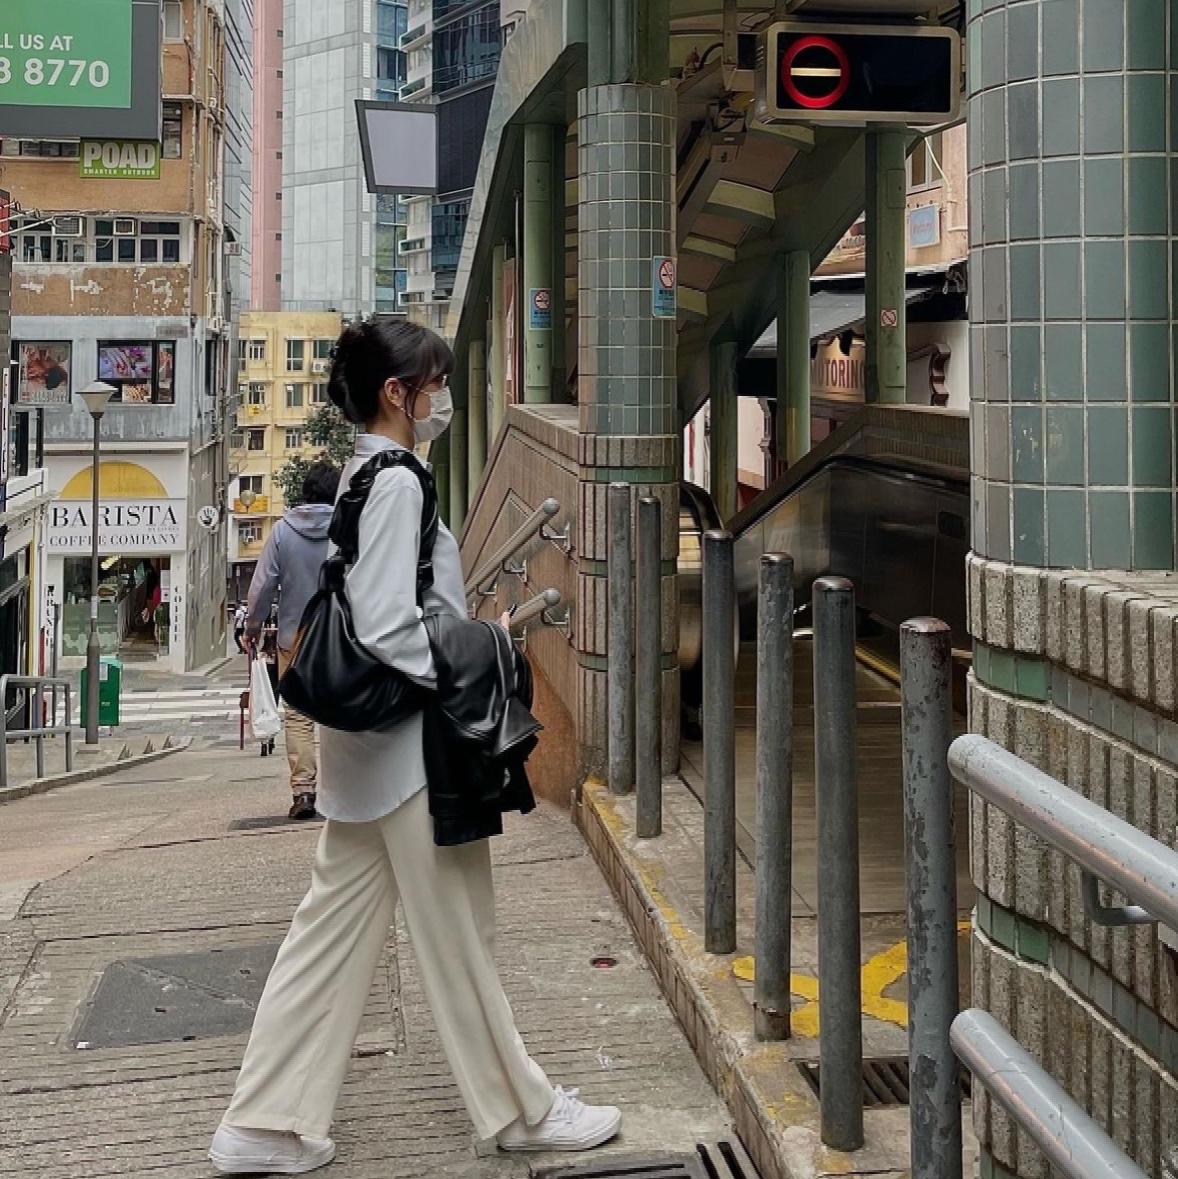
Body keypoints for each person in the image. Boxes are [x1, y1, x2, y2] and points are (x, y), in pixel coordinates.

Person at [209, 320, 621, 1175]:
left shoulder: (361, 473)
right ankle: (521, 1111)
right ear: (397, 393)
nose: (441, 396)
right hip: (410, 758)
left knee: (326, 940)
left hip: (364, 757)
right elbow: (390, 623)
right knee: (460, 935)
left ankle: (263, 1121)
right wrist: (474, 657)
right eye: (433, 382)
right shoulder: (398, 481)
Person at [244, 463, 341, 819]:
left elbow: (262, 586)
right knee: (341, 708)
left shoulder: (282, 532)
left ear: (305, 493)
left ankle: (303, 792)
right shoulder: (346, 528)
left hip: (294, 638)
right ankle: (346, 789)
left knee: (299, 714)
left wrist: (252, 628)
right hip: (340, 635)